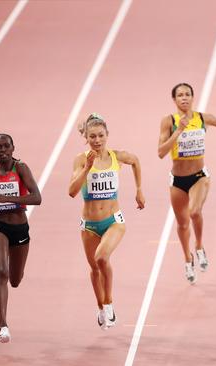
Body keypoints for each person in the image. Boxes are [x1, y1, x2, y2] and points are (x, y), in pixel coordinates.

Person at [69, 113, 145, 329]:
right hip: (89, 225)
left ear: (107, 135)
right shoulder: (81, 160)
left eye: (101, 135)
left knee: (102, 258)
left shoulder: (117, 156)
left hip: (113, 221)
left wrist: (139, 189)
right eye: (92, 136)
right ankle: (100, 307)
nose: (97, 140)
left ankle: (109, 304)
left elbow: (136, 161)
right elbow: (72, 192)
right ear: (86, 137)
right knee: (94, 268)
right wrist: (86, 168)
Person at [157, 83, 216, 284]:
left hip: (199, 176)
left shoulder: (201, 118)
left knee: (195, 212)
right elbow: (161, 152)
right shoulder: (168, 121)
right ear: (174, 100)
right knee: (182, 224)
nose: (184, 98)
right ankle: (187, 258)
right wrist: (177, 131)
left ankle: (199, 246)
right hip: (178, 180)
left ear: (192, 97)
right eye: (180, 95)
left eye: (187, 94)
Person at [0, 133, 41, 343]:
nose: (2, 150)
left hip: (20, 228)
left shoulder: (21, 168)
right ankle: (3, 325)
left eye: (6, 146)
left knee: (15, 279)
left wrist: (7, 198)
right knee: (1, 271)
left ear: (13, 148)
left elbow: (37, 197)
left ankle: (15, 277)